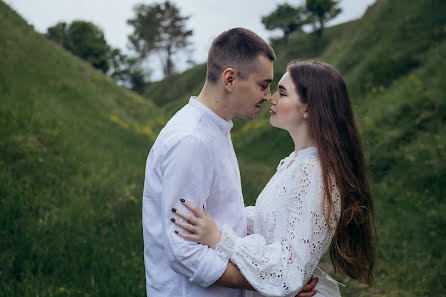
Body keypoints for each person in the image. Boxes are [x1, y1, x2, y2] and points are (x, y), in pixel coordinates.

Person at [171, 61, 376, 296]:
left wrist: (220, 238)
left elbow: (289, 272)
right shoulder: (296, 161)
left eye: (282, 92)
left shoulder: (315, 173)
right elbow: (270, 223)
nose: (271, 98)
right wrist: (219, 218)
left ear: (309, 108)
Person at [142, 28, 318, 297]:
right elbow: (183, 252)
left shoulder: (215, 129)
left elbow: (226, 217)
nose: (269, 96)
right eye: (263, 85)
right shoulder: (191, 140)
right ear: (230, 79)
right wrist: (271, 284)